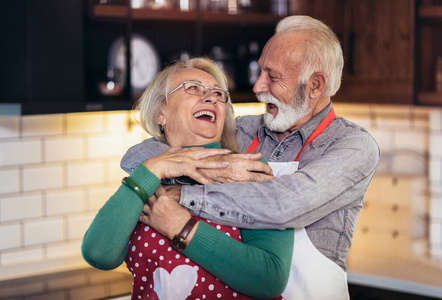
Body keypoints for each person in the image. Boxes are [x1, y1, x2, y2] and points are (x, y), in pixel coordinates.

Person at [121, 15, 380, 299]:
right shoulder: (243, 131)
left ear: (315, 86)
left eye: (273, 76)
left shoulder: (351, 146)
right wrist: (209, 165)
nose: (257, 87)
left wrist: (180, 195)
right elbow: (139, 155)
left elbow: (285, 205)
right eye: (260, 73)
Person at [82, 57, 295, 300]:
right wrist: (155, 167)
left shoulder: (248, 170)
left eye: (218, 93)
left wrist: (180, 227)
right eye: (193, 88)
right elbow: (99, 253)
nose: (211, 97)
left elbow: (270, 278)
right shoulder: (148, 173)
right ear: (161, 111)